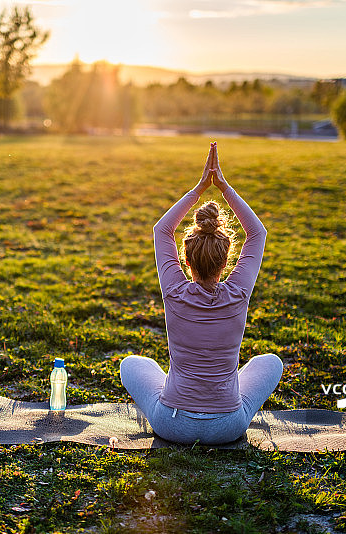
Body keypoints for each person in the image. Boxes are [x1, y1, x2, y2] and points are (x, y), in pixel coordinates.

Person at [120, 142, 283, 445]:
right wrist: (222, 186)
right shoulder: (239, 292)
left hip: (171, 424)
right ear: (226, 261)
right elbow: (257, 233)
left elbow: (161, 230)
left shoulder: (174, 291)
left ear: (185, 259)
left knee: (132, 364)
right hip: (228, 427)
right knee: (271, 361)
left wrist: (198, 188)